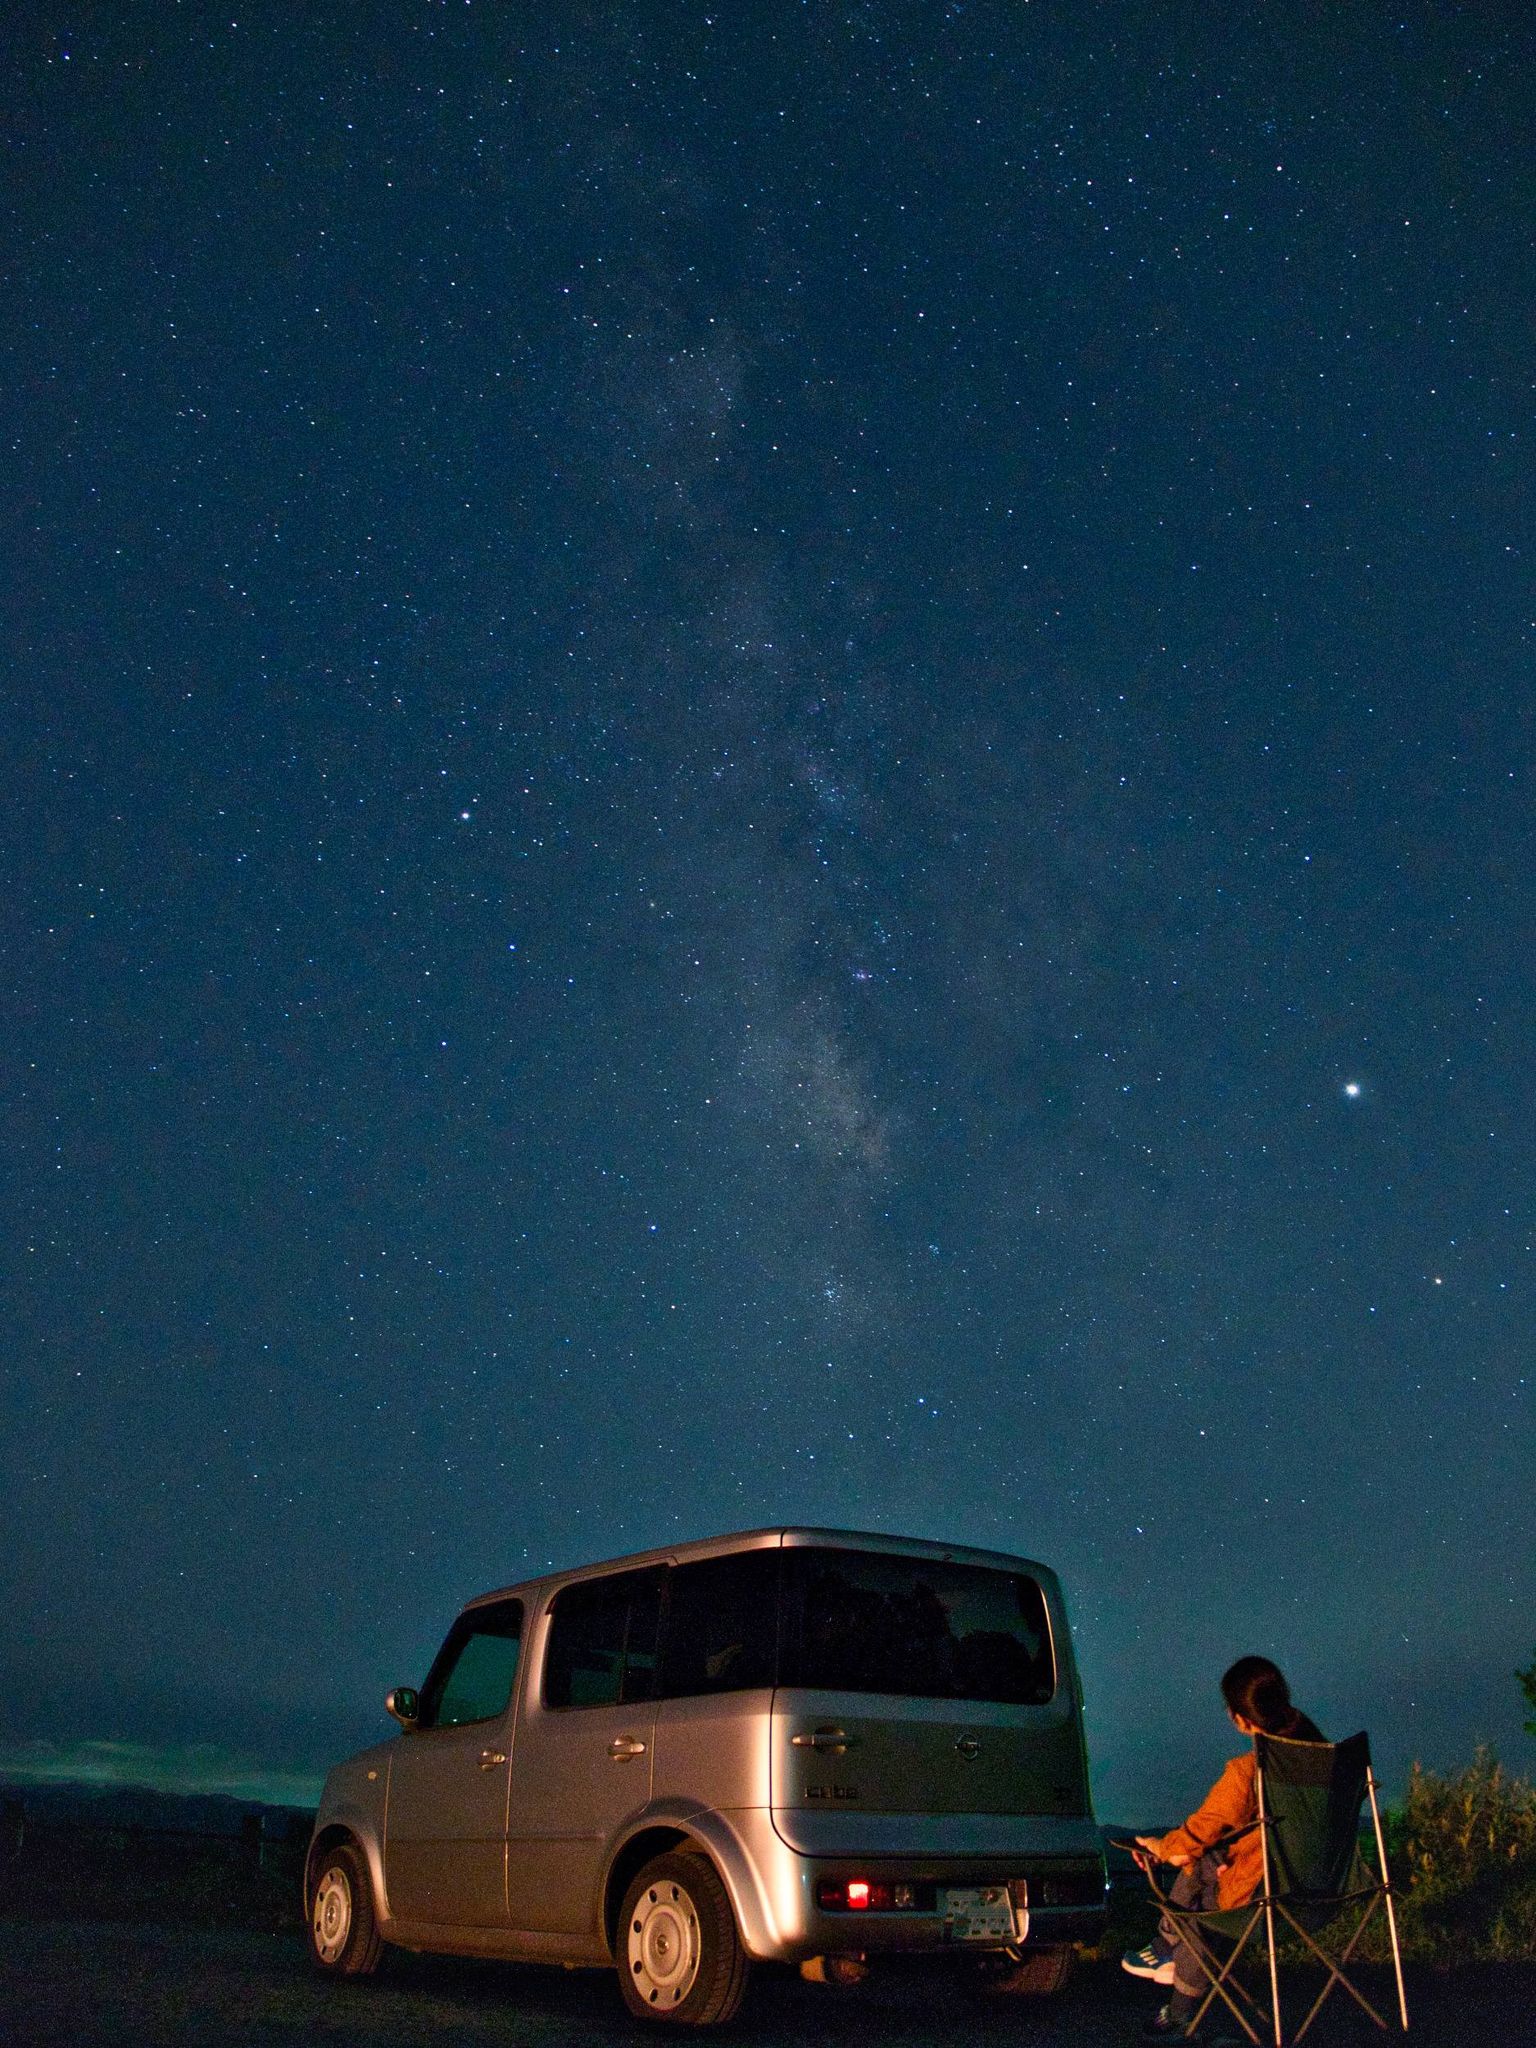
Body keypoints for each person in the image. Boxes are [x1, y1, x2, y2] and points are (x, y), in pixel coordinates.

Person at [1121, 1656, 1323, 2038]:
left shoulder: (1249, 1772)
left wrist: (1160, 1848)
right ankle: (1166, 1948)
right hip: (1323, 1890)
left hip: (1265, 1896)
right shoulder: (1326, 1763)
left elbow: (1204, 1827)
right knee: (1209, 1857)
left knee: (1200, 1902)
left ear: (1240, 1719)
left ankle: (1177, 2006)